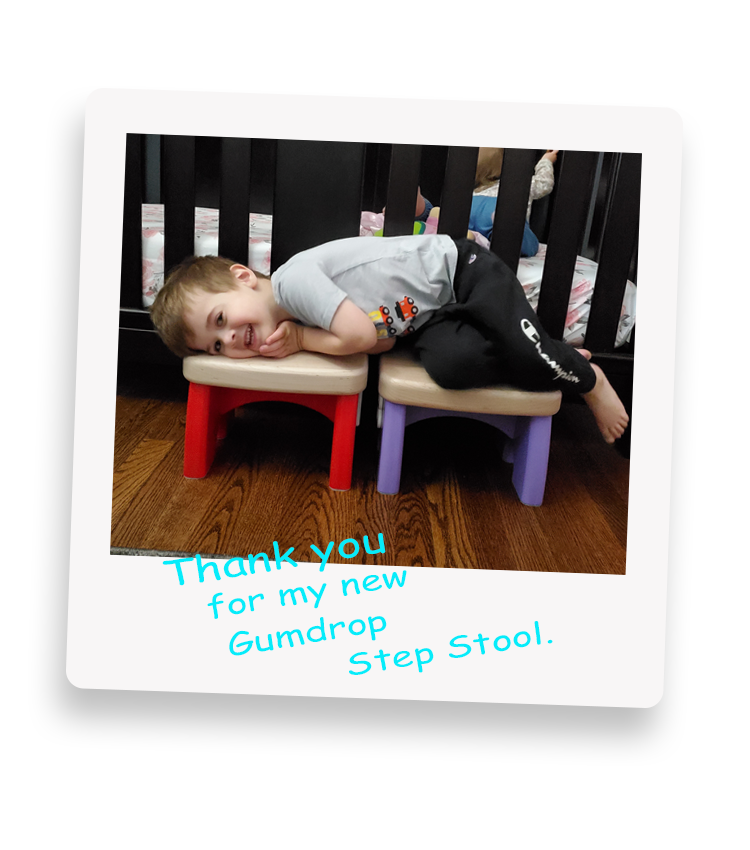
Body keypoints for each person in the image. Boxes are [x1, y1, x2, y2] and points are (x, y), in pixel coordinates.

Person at [150, 236, 629, 444]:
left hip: (461, 272)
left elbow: (357, 335)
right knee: (452, 368)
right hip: (429, 319)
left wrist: (300, 339)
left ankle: (590, 381)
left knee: (521, 345)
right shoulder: (296, 308)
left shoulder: (293, 285)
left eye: (219, 318)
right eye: (215, 345)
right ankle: (548, 355)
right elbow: (376, 343)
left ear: (243, 277)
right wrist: (323, 336)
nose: (229, 338)